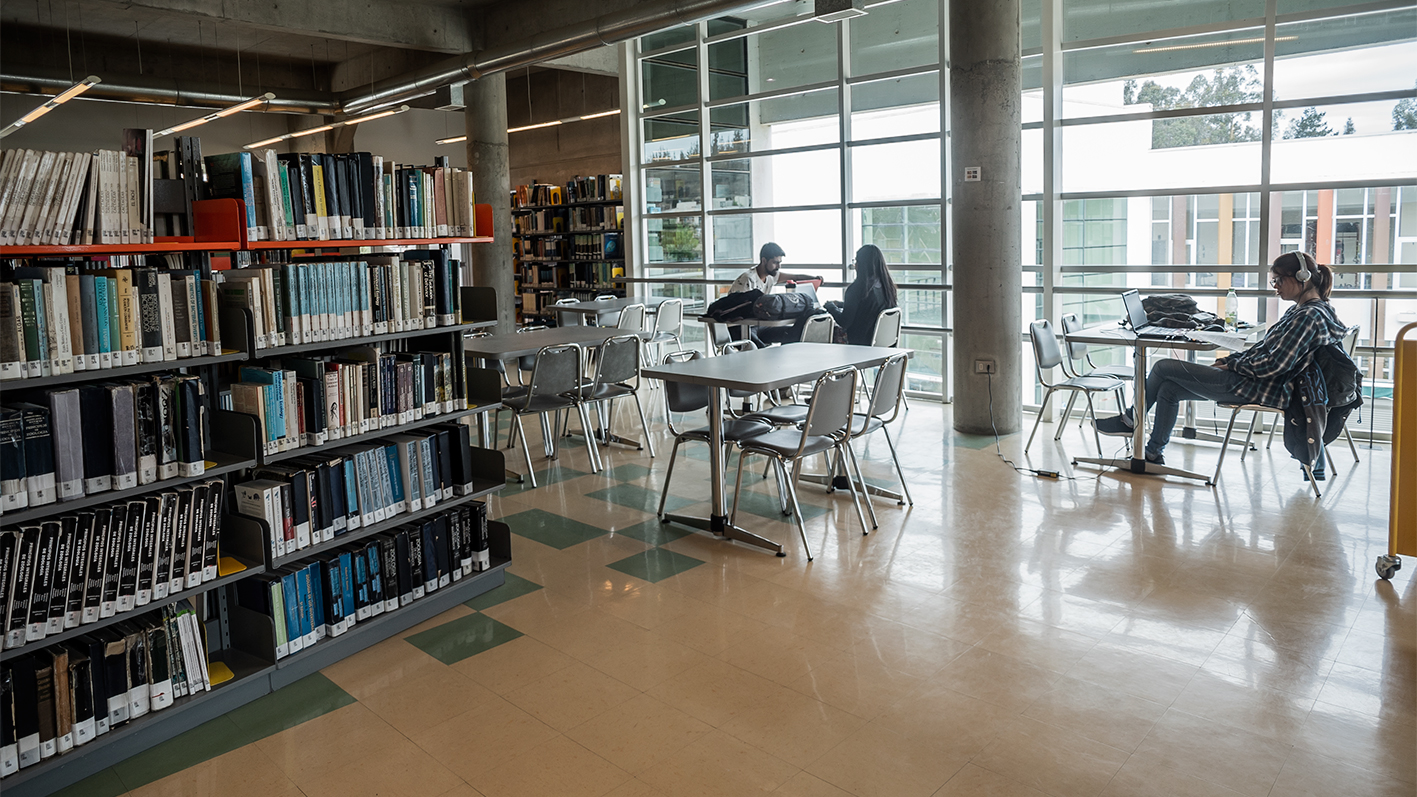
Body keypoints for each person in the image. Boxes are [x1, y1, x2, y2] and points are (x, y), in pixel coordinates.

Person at [1094, 251, 1347, 475]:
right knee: (1168, 390)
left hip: (1261, 386)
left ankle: (1129, 421)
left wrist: (1234, 366)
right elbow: (1265, 350)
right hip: (1260, 381)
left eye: (1279, 280)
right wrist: (1231, 360)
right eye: (1274, 281)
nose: (1275, 287)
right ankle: (1151, 454)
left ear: (1301, 277)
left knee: (1162, 367)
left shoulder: (1308, 316)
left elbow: (1274, 365)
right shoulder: (1311, 309)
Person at [726, 242, 818, 345]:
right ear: (764, 261)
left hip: (760, 326)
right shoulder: (748, 279)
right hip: (739, 328)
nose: (778, 266)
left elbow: (795, 277)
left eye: (780, 262)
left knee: (791, 334)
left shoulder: (771, 276)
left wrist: (814, 279)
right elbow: (734, 307)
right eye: (775, 262)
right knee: (762, 351)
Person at [825, 244, 898, 345]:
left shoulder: (857, 289)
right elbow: (866, 307)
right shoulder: (887, 288)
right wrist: (841, 304)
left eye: (856, 261)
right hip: (881, 346)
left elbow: (844, 321)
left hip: (859, 345)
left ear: (861, 264)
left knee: (825, 333)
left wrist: (830, 307)